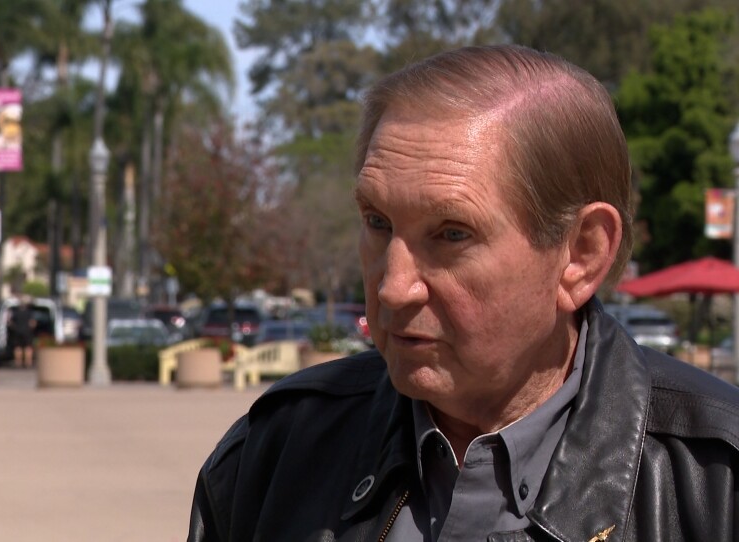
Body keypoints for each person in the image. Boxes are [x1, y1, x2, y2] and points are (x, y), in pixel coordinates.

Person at [187, 45, 739, 541]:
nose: (393, 286)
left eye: (452, 234)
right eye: (378, 222)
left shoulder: (714, 481)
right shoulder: (277, 455)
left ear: (581, 254)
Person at [7, 296, 36, 368]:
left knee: (18, 347)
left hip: (17, 331)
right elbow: (33, 323)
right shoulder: (29, 313)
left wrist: (14, 328)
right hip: (27, 332)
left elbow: (10, 322)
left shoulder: (15, 312)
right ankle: (28, 363)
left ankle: (18, 363)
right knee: (28, 347)